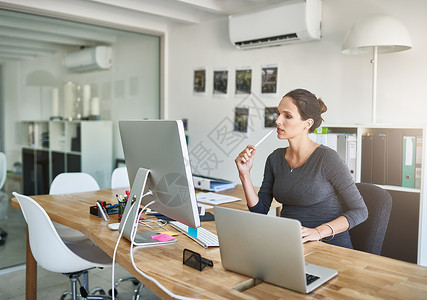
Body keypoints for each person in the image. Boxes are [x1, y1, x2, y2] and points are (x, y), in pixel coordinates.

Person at [235, 88, 368, 248]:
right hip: (290, 245)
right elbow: (260, 210)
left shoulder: (327, 158)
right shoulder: (275, 159)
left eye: (287, 116)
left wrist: (317, 232)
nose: (278, 121)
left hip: (329, 248)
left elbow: (360, 211)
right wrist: (245, 175)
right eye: (278, 114)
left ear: (308, 123)